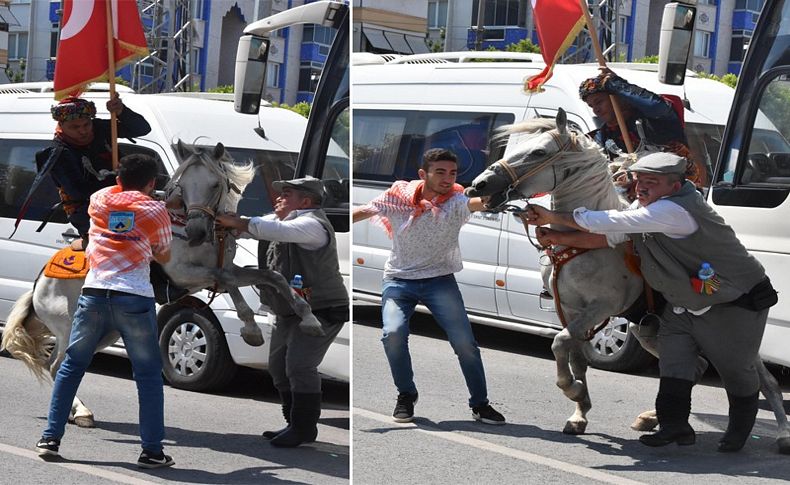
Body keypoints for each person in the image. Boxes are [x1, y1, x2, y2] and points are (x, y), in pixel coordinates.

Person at [523, 152, 777, 452]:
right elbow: (610, 236)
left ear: (674, 185)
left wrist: (553, 216)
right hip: (686, 302)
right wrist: (556, 236)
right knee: (673, 360)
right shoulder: (649, 206)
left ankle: (738, 430)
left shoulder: (674, 210)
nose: (640, 187)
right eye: (638, 180)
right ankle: (674, 426)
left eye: (651, 182)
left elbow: (608, 221)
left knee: (736, 368)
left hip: (734, 299)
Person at [35, 154, 175, 468]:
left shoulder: (98, 200)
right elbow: (165, 255)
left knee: (71, 367)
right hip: (134, 297)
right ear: (152, 183)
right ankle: (152, 451)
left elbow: (117, 207)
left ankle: (50, 438)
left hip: (94, 293)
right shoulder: (155, 209)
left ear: (118, 178)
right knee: (148, 376)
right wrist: (147, 245)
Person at [352, 148, 506, 425]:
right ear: (423, 174)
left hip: (439, 280)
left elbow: (483, 202)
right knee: (393, 334)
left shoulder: (457, 201)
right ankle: (406, 395)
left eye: (453, 173)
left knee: (465, 344)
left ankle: (480, 404)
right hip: (399, 280)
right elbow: (362, 212)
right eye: (440, 172)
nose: (448, 178)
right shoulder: (397, 198)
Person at [216, 176, 349, 448]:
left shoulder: (312, 223)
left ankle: (303, 427)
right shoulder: (284, 221)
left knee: (300, 365)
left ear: (306, 202)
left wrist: (238, 222)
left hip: (321, 308)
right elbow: (259, 227)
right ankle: (293, 423)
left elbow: (268, 229)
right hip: (289, 310)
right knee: (278, 368)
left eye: (286, 194)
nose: (278, 198)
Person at [37, 95, 186, 304]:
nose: (83, 130)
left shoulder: (100, 129)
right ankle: (160, 285)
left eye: (86, 124)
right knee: (131, 234)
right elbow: (79, 191)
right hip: (88, 210)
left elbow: (141, 129)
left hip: (124, 199)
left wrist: (121, 111)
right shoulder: (55, 153)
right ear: (61, 125)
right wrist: (116, 179)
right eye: (75, 127)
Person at [579, 67, 707, 190]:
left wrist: (615, 84)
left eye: (599, 102)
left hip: (674, 200)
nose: (596, 110)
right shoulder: (601, 137)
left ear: (617, 97)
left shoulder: (655, 122)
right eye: (591, 106)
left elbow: (656, 106)